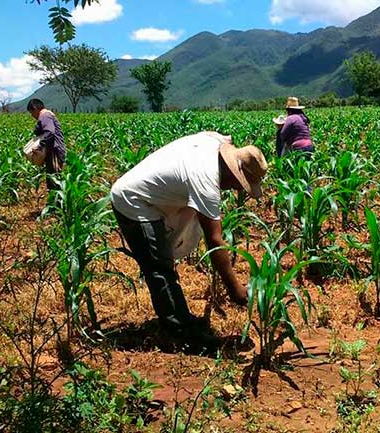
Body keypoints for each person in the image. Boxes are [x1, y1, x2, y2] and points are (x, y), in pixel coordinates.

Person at [110, 131, 267, 349]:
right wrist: (235, 289)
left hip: (154, 199)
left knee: (163, 260)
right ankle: (181, 334)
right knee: (159, 267)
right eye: (239, 183)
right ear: (233, 172)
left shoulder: (217, 144)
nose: (237, 188)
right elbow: (214, 240)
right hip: (134, 201)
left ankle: (178, 315)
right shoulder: (206, 177)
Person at [27, 99, 65, 191]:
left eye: (32, 113)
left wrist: (39, 147)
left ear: (35, 109)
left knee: (54, 182)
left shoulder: (44, 115)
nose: (32, 116)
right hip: (53, 151)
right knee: (53, 179)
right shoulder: (47, 115)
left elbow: (49, 132)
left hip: (54, 152)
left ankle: (57, 203)